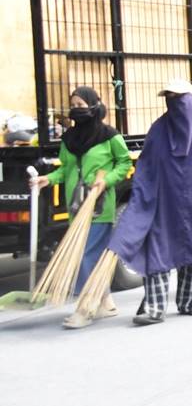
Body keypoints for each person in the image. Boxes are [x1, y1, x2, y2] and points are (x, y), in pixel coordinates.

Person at [108, 79, 192, 326]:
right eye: (170, 98)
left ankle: (191, 301)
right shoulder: (158, 131)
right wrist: (143, 198)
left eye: (179, 99)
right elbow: (145, 167)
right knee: (158, 250)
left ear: (189, 102)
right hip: (164, 206)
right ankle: (154, 308)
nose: (175, 104)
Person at [31, 86, 132, 329]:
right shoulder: (69, 139)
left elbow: (124, 163)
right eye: (73, 106)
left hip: (99, 205)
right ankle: (106, 302)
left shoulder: (110, 136)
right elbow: (66, 169)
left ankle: (86, 308)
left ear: (94, 105)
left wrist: (105, 180)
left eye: (81, 105)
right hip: (76, 204)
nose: (76, 110)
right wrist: (49, 179)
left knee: (87, 254)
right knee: (90, 255)